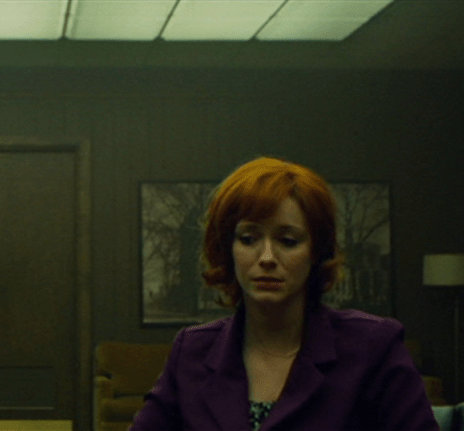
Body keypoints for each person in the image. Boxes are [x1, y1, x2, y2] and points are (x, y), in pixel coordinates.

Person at [130, 156, 438, 431]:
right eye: (248, 238)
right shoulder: (192, 351)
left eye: (288, 241)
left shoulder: (372, 347)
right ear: (228, 248)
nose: (266, 257)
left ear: (315, 252)